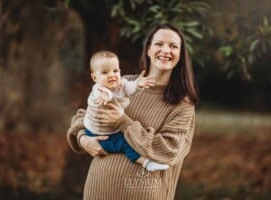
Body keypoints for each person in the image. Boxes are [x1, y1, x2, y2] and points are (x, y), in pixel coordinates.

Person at [67, 23, 199, 200]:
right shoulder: (123, 84)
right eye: (159, 44)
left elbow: (168, 150)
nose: (165, 50)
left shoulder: (183, 105)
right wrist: (83, 138)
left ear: (180, 56)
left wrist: (123, 121)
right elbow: (85, 115)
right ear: (149, 49)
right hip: (98, 190)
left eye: (173, 46)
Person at [83, 50, 169, 172]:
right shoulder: (99, 90)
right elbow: (105, 95)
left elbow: (129, 87)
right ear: (94, 77)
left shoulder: (120, 84)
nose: (111, 75)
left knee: (127, 139)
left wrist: (138, 84)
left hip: (110, 129)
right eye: (104, 72)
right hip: (97, 133)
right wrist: (82, 138)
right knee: (125, 144)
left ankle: (146, 162)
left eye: (115, 71)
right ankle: (146, 163)